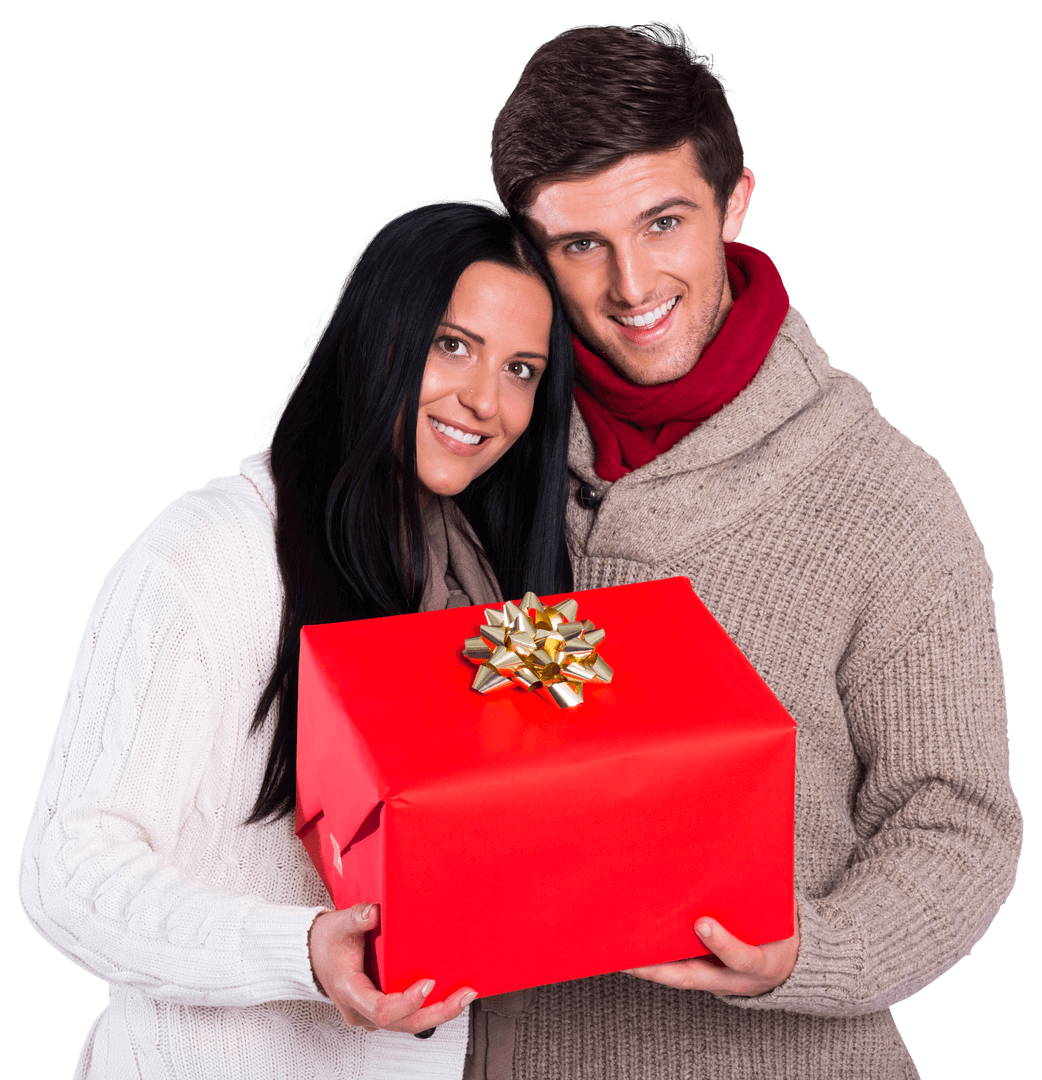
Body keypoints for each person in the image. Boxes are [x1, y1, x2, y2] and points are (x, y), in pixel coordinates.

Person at [479, 21, 1024, 1080]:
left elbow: (956, 826)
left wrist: (807, 954)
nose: (631, 284)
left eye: (664, 222)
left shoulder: (888, 498)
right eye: (579, 244)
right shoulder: (475, 458)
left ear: (734, 203)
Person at [18, 198, 575, 1080]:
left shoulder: (493, 603)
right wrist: (301, 950)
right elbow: (70, 875)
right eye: (452, 344)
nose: (485, 400)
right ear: (377, 332)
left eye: (521, 369)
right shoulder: (213, 556)